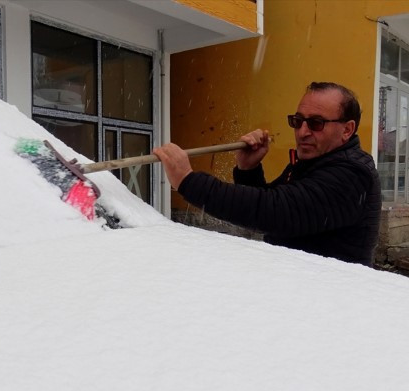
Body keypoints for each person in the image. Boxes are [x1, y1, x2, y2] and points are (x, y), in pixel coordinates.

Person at [154, 82, 382, 266]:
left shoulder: (351, 175)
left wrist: (189, 181)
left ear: (347, 130)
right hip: (302, 291)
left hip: (328, 304)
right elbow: (273, 208)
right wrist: (248, 169)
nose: (302, 132)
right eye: (298, 121)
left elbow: (275, 212)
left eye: (316, 123)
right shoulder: (313, 163)